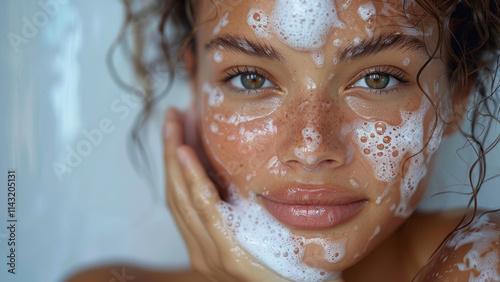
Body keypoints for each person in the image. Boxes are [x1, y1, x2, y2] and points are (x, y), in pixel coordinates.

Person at [68, 0, 500, 281]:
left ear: (456, 96)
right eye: (250, 79)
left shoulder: (483, 262)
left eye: (378, 79)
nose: (311, 148)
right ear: (196, 82)